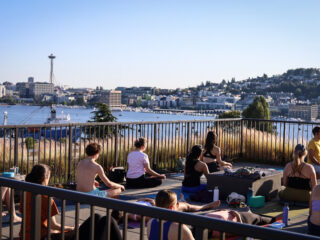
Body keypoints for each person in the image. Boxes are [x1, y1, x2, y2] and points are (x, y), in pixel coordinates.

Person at [20, 164, 122, 240]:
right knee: (107, 220)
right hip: (44, 237)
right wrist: (71, 228)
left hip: (27, 235)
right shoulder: (45, 196)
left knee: (97, 217)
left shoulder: (26, 193)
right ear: (45, 178)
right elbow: (53, 225)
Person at [112, 195, 220, 223]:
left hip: (156, 203)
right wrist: (154, 204)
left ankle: (181, 201)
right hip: (162, 208)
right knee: (186, 206)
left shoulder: (129, 207)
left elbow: (141, 201)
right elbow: (151, 217)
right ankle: (207, 206)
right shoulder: (135, 215)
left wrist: (147, 200)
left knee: (184, 205)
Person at [206, 208, 282, 238]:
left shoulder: (205, 218)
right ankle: (284, 215)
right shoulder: (217, 231)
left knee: (257, 217)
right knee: (270, 220)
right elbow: (241, 229)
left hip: (239, 215)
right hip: (244, 219)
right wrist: (237, 215)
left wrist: (222, 211)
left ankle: (249, 212)